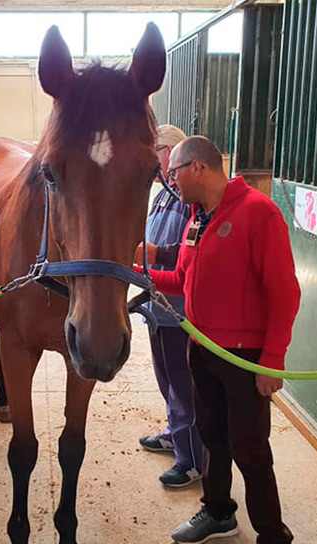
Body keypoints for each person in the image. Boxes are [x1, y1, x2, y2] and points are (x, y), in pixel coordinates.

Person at [140, 136, 298, 544]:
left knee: (250, 449)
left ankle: (274, 538)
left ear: (197, 168)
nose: (170, 181)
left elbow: (285, 293)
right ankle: (218, 511)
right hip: (201, 347)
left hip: (243, 356)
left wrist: (272, 361)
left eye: (173, 172)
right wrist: (139, 273)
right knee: (211, 436)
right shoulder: (198, 219)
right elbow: (182, 282)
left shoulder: (258, 213)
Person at [134, 124, 204, 489]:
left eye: (157, 149)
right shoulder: (162, 195)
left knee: (183, 383)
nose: (155, 157)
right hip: (157, 303)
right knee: (166, 380)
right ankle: (174, 434)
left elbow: (197, 253)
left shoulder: (192, 199)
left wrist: (152, 253)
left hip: (180, 309)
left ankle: (191, 459)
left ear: (175, 153)